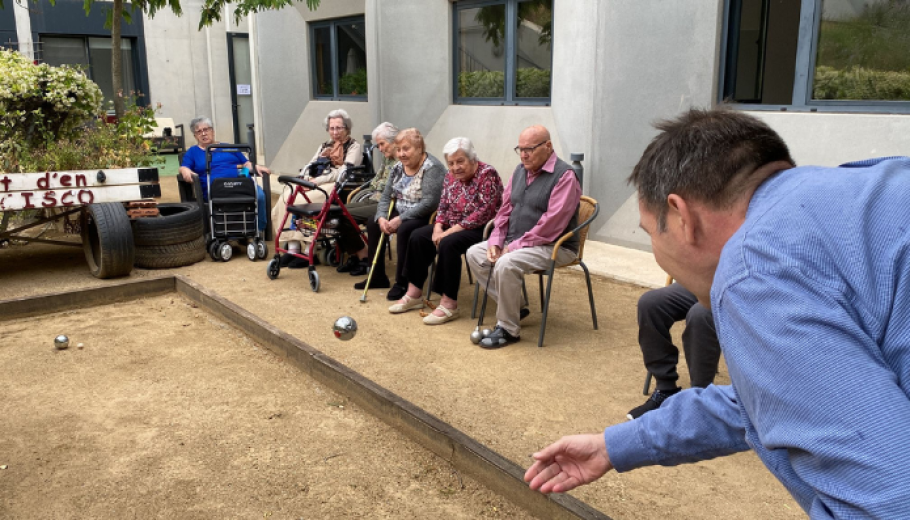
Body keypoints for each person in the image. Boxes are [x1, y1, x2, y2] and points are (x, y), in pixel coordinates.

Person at [524, 108, 910, 518]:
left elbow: (888, 503)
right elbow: (761, 400)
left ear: (681, 217)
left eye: (649, 231)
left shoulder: (754, 271)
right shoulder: (867, 189)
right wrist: (613, 445)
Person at [465, 125, 581, 348]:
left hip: (555, 245)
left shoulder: (565, 176)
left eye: (530, 149)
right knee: (475, 254)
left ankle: (508, 329)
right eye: (520, 149)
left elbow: (552, 224)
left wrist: (512, 247)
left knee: (506, 263)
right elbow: (505, 209)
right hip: (517, 242)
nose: (524, 155)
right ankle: (516, 306)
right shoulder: (520, 171)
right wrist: (497, 240)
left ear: (548, 146)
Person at [387, 137, 503, 324]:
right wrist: (438, 227)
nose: (455, 167)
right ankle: (414, 292)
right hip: (452, 226)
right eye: (451, 163)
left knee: (448, 243)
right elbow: (443, 205)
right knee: (418, 236)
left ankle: (449, 304)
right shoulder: (450, 176)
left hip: (482, 229)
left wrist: (447, 233)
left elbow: (484, 212)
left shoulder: (487, 174)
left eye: (460, 161)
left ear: (472, 159)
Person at [353, 128, 445, 301]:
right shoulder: (397, 167)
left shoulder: (432, 168)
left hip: (424, 214)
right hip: (400, 209)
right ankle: (377, 275)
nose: (401, 154)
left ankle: (402, 282)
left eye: (406, 149)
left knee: (404, 229)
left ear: (419, 148)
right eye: (399, 149)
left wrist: (400, 219)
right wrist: (381, 216)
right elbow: (386, 195)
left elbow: (429, 202)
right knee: (373, 223)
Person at [270, 108, 362, 268]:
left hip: (336, 183)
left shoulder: (354, 146)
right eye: (331, 128)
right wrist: (304, 179)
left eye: (339, 128)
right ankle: (292, 247)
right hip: (316, 180)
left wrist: (317, 181)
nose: (335, 132)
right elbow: (310, 165)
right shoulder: (324, 146)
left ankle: (308, 250)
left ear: (347, 128)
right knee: (287, 195)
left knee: (301, 202)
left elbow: (343, 172)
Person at [627, 282, 721, 420]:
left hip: (744, 287)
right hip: (708, 279)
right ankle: (665, 389)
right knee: (650, 303)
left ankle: (700, 401)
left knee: (700, 315)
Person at [179, 116, 269, 231]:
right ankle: (228, 231)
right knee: (227, 200)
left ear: (213, 131)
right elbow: (184, 167)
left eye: (206, 129)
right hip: (215, 188)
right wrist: (185, 170)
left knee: (259, 195)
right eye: (199, 131)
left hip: (240, 184)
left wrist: (255, 166)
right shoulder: (193, 152)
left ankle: (258, 230)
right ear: (195, 136)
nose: (203, 134)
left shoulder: (228, 147)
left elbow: (246, 163)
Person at [334, 122, 400, 277]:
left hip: (387, 204)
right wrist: (379, 185)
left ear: (394, 141)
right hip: (373, 197)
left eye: (382, 144)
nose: (381, 149)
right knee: (334, 212)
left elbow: (389, 186)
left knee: (341, 214)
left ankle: (363, 257)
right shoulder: (388, 158)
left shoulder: (401, 160)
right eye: (379, 145)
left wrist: (379, 185)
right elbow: (376, 180)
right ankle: (356, 255)